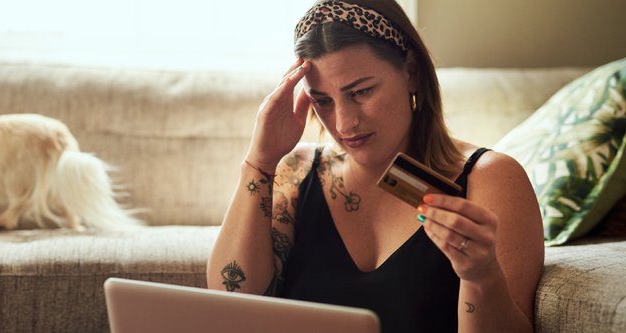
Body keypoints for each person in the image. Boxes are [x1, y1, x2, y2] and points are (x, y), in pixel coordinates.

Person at [206, 0, 545, 332]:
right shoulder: (297, 172)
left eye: (361, 91)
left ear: (411, 71)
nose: (344, 123)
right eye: (322, 101)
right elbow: (230, 308)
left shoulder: (490, 178)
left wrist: (481, 277)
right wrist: (260, 161)